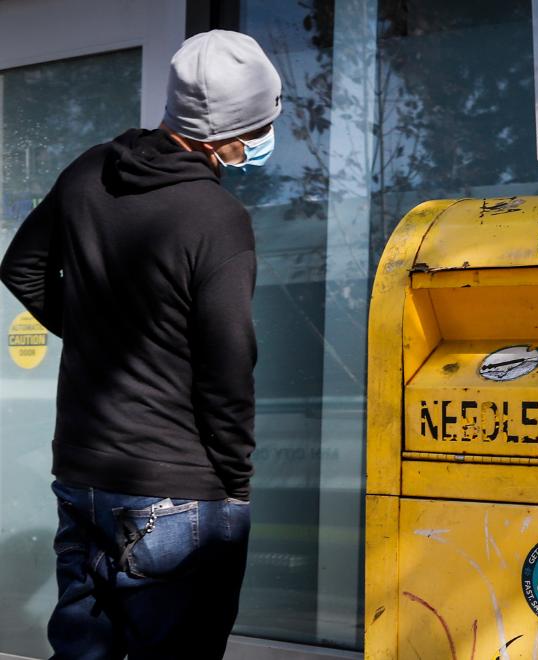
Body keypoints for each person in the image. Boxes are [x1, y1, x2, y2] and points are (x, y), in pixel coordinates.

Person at [0, 30, 281, 659]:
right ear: (231, 135)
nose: (263, 138)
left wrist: (104, 334)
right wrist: (235, 483)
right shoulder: (217, 219)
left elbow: (20, 267)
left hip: (83, 472)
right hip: (180, 488)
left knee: (82, 652)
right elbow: (229, 366)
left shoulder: (90, 170)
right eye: (261, 125)